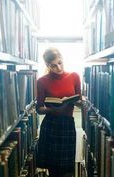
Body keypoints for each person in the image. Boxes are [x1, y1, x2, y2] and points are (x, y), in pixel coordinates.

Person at [36, 47, 81, 177]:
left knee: (67, 169)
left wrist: (75, 102)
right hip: (51, 126)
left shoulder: (74, 76)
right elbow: (39, 109)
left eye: (60, 63)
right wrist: (52, 110)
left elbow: (79, 100)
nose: (58, 67)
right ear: (47, 65)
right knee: (53, 169)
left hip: (67, 125)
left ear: (62, 59)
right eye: (54, 66)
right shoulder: (42, 81)